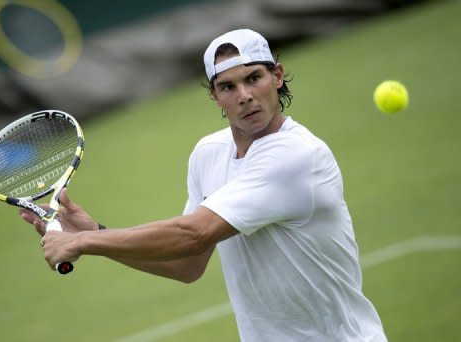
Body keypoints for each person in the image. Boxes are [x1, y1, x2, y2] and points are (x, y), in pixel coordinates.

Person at [20, 29, 387, 341]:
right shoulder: (208, 154)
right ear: (214, 96)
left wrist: (82, 241)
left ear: (277, 75)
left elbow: (193, 234)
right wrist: (97, 233)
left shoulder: (296, 156)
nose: (243, 95)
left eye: (253, 78)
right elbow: (188, 263)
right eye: (227, 86)